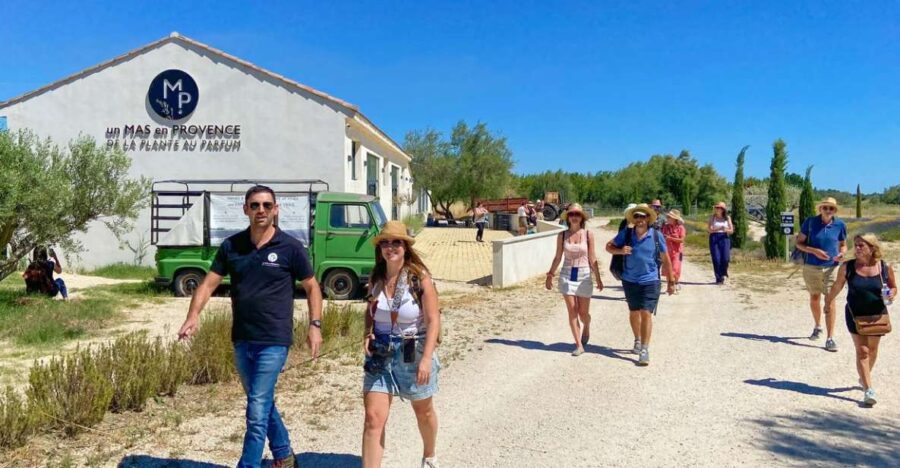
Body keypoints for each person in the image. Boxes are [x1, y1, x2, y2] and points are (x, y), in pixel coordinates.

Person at [177, 185, 323, 468]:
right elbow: (208, 284)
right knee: (262, 401)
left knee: (256, 410)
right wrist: (193, 315)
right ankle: (284, 455)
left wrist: (314, 324)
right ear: (245, 209)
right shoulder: (232, 246)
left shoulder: (290, 247)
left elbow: (312, 287)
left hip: (275, 339)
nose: (261, 211)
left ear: (276, 210)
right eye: (255, 205)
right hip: (242, 339)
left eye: (267, 205)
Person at [362, 220, 441, 468]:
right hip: (380, 352)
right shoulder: (375, 277)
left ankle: (429, 456)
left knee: (423, 411)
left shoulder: (419, 278)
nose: (390, 247)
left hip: (412, 349)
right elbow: (370, 310)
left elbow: (432, 319)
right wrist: (368, 332)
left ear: (405, 246)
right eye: (385, 242)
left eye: (396, 242)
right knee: (373, 418)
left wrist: (426, 359)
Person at [825, 234, 895, 406]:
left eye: (861, 246)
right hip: (855, 315)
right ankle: (868, 389)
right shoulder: (847, 267)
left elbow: (893, 287)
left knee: (872, 350)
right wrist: (828, 303)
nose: (856, 248)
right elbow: (837, 286)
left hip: (877, 315)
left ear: (872, 248)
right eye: (855, 245)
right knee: (863, 351)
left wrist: (892, 293)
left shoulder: (885, 267)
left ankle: (864, 377)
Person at [606, 204, 675, 366]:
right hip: (629, 280)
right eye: (637, 216)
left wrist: (671, 282)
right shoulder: (627, 234)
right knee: (634, 312)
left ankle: (644, 349)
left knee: (645, 313)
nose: (640, 219)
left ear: (648, 219)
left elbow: (666, 259)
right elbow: (609, 247)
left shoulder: (657, 236)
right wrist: (621, 251)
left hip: (650, 280)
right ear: (634, 219)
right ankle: (637, 339)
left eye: (643, 216)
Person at [545, 203, 604, 356]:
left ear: (581, 217)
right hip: (567, 274)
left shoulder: (588, 234)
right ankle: (579, 345)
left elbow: (592, 257)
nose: (574, 217)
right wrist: (550, 274)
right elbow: (558, 256)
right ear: (568, 217)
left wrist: (598, 278)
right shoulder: (562, 235)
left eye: (577, 214)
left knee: (583, 313)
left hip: (584, 274)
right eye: (571, 214)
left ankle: (587, 326)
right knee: (572, 311)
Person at [796, 197, 847, 352]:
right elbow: (799, 243)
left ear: (834, 211)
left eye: (831, 208)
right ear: (820, 209)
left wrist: (841, 254)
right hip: (811, 266)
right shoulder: (810, 222)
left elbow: (843, 245)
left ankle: (830, 338)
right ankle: (818, 326)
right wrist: (814, 251)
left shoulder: (840, 225)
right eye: (825, 207)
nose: (828, 210)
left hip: (832, 268)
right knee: (814, 297)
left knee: (830, 300)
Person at [708, 202, 734, 285]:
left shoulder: (727, 218)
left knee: (726, 258)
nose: (718, 209)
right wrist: (720, 227)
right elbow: (710, 230)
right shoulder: (712, 217)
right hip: (714, 238)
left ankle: (724, 272)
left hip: (724, 238)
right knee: (716, 259)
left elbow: (731, 230)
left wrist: (725, 229)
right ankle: (719, 278)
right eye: (717, 207)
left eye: (719, 208)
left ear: (723, 210)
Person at [662, 209, 686, 292]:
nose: (668, 218)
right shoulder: (665, 227)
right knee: (667, 269)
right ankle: (670, 285)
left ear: (675, 219)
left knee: (675, 269)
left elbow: (682, 240)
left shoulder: (681, 228)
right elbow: (662, 236)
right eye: (667, 216)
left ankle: (675, 283)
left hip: (677, 252)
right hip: (667, 250)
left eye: (669, 217)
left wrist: (670, 238)